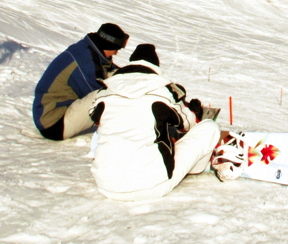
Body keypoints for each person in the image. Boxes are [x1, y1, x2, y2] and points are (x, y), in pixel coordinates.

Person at [88, 43, 222, 201]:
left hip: (106, 185)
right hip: (150, 184)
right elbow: (188, 125)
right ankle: (195, 168)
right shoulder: (162, 92)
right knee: (209, 128)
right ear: (154, 68)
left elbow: (93, 116)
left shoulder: (105, 92)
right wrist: (191, 110)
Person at [32, 22, 128, 140]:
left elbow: (110, 71)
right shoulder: (85, 61)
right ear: (106, 44)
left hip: (57, 111)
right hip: (54, 123)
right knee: (107, 96)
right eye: (115, 49)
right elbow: (99, 94)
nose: (116, 53)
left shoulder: (88, 49)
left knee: (117, 82)